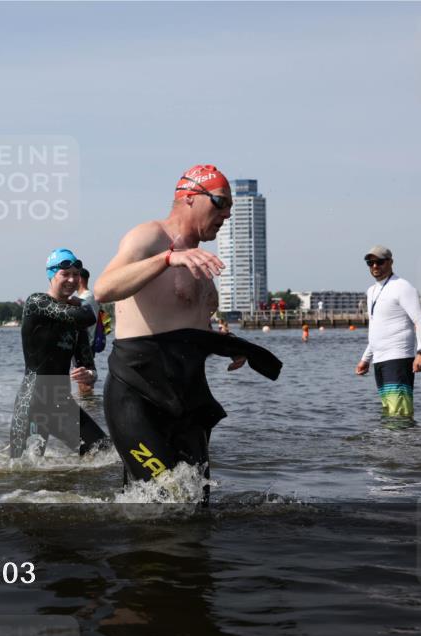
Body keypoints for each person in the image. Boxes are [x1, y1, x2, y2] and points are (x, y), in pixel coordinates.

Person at [93, 164, 281, 498]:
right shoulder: (150, 237)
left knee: (196, 501)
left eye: (230, 208)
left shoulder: (201, 263)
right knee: (167, 495)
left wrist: (223, 344)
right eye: (220, 202)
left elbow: (184, 326)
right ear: (191, 197)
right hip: (137, 393)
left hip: (187, 395)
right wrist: (167, 260)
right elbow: (103, 289)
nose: (226, 214)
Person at [9, 249, 111, 458]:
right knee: (23, 471)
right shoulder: (36, 303)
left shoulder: (75, 321)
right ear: (51, 275)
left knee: (103, 450)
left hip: (61, 403)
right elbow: (88, 316)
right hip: (33, 402)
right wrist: (82, 303)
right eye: (65, 274)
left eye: (76, 274)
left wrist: (89, 375)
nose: (72, 280)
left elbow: (89, 368)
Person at [354, 246, 421, 418]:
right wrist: (366, 358)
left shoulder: (402, 287)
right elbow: (377, 328)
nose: (374, 266)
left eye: (379, 261)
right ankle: (391, 446)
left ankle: (406, 444)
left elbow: (420, 321)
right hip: (379, 360)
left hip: (398, 358)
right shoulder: (371, 291)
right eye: (370, 262)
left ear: (390, 262)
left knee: (399, 414)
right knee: (389, 413)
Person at [76, 267, 99, 397]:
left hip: (85, 343)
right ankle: (89, 405)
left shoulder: (86, 299)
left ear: (80, 279)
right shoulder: (90, 297)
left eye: (74, 276)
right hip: (88, 342)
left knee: (83, 380)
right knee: (85, 379)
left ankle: (87, 407)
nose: (71, 280)